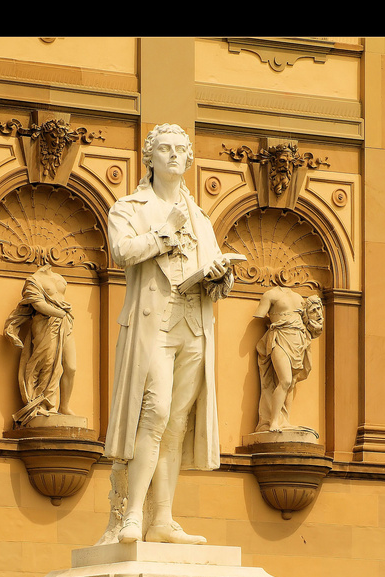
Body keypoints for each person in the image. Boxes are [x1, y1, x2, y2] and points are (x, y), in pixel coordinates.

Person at [103, 123, 236, 545]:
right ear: (150, 157)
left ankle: (163, 519)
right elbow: (122, 251)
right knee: (154, 413)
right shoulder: (129, 207)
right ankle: (132, 517)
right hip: (153, 325)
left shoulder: (201, 218)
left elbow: (215, 275)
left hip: (193, 326)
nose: (175, 155)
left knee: (176, 423)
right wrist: (165, 231)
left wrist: (219, 276)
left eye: (181, 149)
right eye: (165, 148)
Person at [5, 263, 77, 426]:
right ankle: (43, 404)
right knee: (47, 364)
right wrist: (60, 313)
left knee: (71, 367)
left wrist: (63, 315)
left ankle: (64, 406)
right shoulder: (33, 281)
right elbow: (39, 305)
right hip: (46, 324)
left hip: (64, 323)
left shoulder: (59, 278)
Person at [253, 286, 324, 432]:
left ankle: (284, 420)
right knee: (285, 380)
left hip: (298, 339)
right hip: (280, 336)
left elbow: (308, 321)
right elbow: (259, 314)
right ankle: (273, 422)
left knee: (291, 383)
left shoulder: (298, 297)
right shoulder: (270, 294)